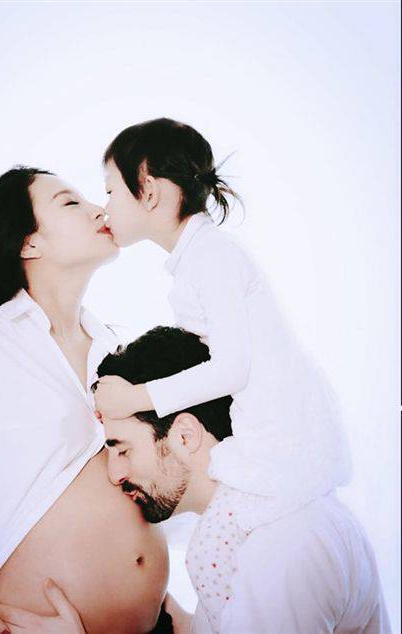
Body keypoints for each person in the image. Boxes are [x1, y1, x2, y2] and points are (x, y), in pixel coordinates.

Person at [0, 167, 170, 633]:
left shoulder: (113, 351)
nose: (99, 209)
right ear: (28, 244)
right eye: (70, 202)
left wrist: (167, 605)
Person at [94, 117, 352, 516]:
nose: (105, 207)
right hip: (266, 437)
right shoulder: (197, 260)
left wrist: (134, 398)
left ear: (148, 190)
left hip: (281, 441)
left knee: (218, 539)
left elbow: (230, 369)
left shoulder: (212, 256)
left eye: (111, 191)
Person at [97, 326, 390, 633]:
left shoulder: (282, 544)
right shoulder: (241, 535)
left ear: (185, 436)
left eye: (123, 450)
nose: (115, 474)